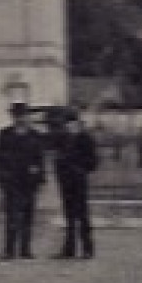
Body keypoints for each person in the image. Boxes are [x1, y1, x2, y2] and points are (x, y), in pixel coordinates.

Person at [0, 103, 47, 259]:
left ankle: (25, 249)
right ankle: (9, 250)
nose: (21, 118)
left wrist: (40, 177)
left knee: (28, 216)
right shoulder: (4, 135)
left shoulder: (35, 135)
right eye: (17, 115)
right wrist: (0, 178)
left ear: (27, 117)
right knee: (12, 216)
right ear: (13, 117)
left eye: (23, 115)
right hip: (12, 182)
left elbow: (40, 159)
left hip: (30, 182)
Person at [49, 110, 98, 259]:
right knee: (69, 216)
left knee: (82, 215)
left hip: (79, 182)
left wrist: (81, 170)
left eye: (71, 123)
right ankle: (69, 249)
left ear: (77, 123)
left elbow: (93, 162)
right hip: (65, 182)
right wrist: (60, 172)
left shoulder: (86, 139)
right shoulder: (61, 139)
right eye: (66, 124)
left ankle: (88, 249)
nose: (68, 127)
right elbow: (56, 158)